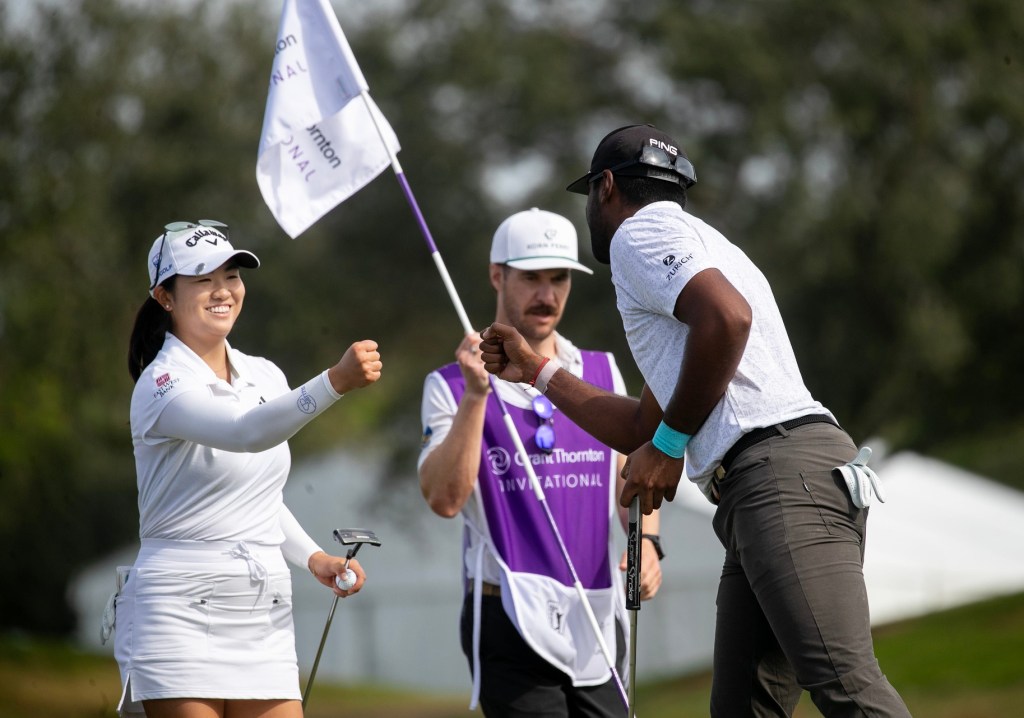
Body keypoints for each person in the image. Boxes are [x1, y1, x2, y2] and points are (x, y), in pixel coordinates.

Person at [479, 126, 913, 717]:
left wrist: (669, 444)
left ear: (605, 187)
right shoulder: (700, 248)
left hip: (779, 477)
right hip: (773, 481)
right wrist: (537, 371)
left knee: (846, 689)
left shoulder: (641, 230)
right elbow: (640, 426)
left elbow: (727, 321)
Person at [116, 219, 383, 718]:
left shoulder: (264, 373)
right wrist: (335, 382)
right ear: (165, 297)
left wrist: (314, 558)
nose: (223, 291)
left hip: (263, 609)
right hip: (178, 605)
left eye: (232, 275)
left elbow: (257, 495)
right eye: (202, 279)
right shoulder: (161, 382)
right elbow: (245, 433)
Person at [417, 208, 664, 718]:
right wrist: (476, 395)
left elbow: (632, 474)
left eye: (559, 279)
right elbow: (444, 499)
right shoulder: (449, 384)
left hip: (596, 606)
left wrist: (647, 541)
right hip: (506, 610)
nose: (547, 296)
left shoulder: (600, 371)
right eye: (531, 277)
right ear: (496, 275)